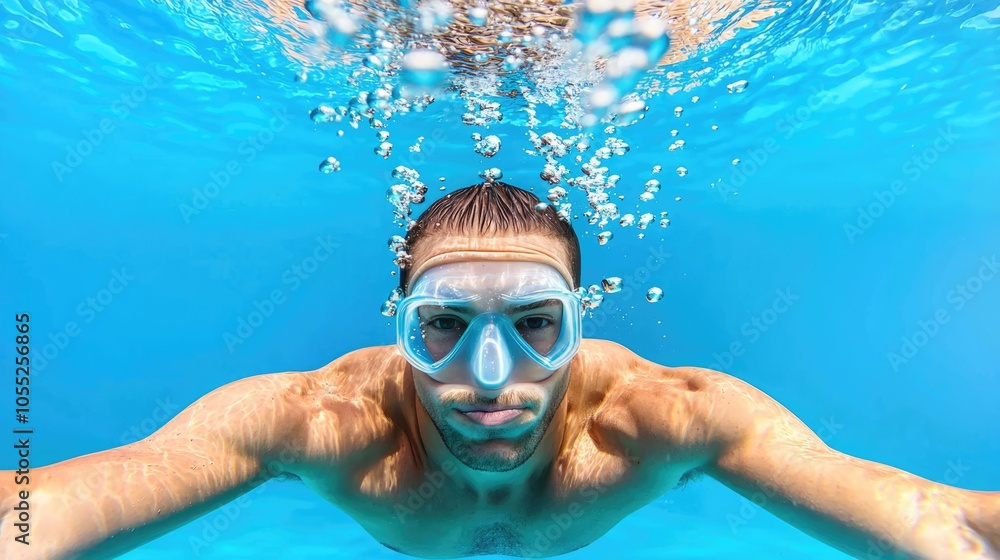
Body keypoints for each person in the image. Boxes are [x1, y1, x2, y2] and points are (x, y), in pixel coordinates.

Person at [1, 182, 998, 559]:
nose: (489, 374)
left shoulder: (664, 415)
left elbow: (936, 516)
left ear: (582, 322)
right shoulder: (319, 420)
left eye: (534, 323)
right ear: (396, 328)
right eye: (441, 326)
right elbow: (46, 511)